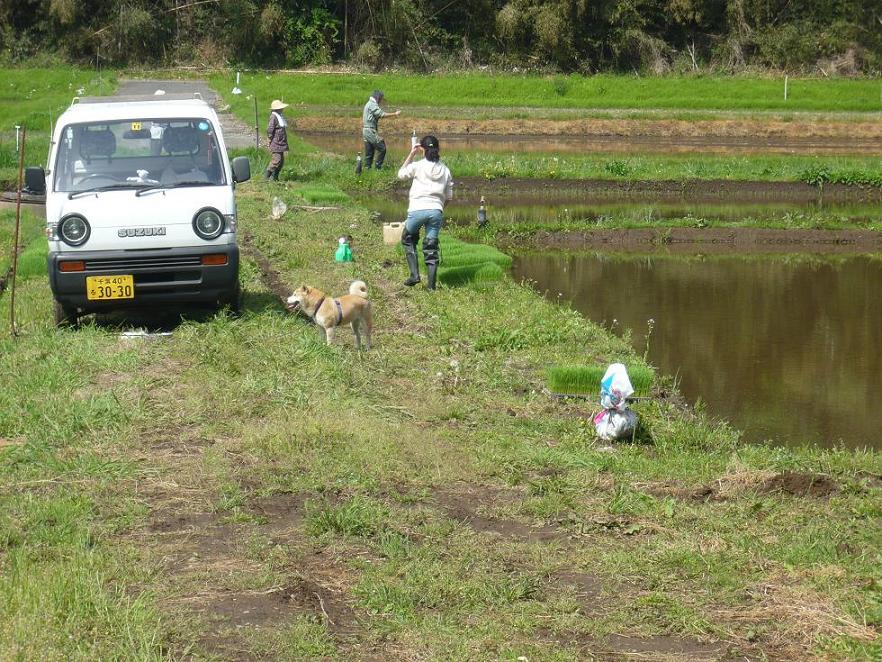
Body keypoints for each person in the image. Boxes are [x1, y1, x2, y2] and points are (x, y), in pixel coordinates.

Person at [398, 135, 453, 290]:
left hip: (417, 209)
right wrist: (439, 208)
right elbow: (449, 196)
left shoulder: (418, 166)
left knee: (408, 239)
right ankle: (431, 287)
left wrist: (411, 154)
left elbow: (401, 174)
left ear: (422, 149)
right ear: (438, 149)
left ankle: (415, 275)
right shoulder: (445, 170)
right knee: (431, 247)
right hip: (436, 211)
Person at [362, 90, 400, 170]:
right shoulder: (372, 104)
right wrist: (395, 114)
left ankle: (367, 169)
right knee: (382, 148)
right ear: (378, 97)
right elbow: (381, 114)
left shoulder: (369, 104)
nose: (381, 101)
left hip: (366, 131)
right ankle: (377, 168)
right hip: (370, 131)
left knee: (369, 152)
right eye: (381, 99)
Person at [266, 99, 289, 181]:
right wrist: (269, 138)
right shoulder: (273, 117)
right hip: (276, 142)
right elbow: (270, 129)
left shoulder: (280, 116)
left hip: (281, 142)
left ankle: (275, 177)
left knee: (281, 162)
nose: (282, 109)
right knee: (276, 160)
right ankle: (266, 177)